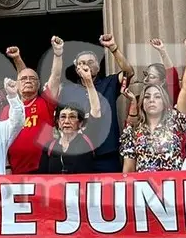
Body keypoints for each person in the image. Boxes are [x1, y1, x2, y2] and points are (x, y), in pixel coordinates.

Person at [52, 33, 134, 173]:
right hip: (78, 155)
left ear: (98, 67)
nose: (86, 65)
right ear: (76, 68)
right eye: (81, 63)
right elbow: (53, 83)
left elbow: (129, 72)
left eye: (90, 62)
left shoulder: (109, 83)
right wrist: (58, 54)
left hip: (106, 155)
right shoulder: (68, 89)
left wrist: (113, 48)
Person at [121, 37, 186, 173]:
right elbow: (128, 169)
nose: (151, 100)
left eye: (157, 97)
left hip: (174, 188)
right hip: (144, 190)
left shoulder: (177, 121)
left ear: (164, 102)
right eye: (147, 97)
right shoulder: (132, 131)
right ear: (142, 103)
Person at [5, 54, 56, 175]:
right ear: (16, 85)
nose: (28, 81)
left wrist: (57, 54)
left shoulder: (45, 102)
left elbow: (56, 76)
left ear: (39, 85)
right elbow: (3, 140)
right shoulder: (7, 109)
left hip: (42, 169)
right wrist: (7, 166)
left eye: (32, 79)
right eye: (23, 80)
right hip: (15, 170)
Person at [39, 105, 99, 173]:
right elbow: (42, 177)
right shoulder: (49, 147)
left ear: (80, 123)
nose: (67, 121)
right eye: (63, 117)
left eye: (72, 117)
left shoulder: (87, 142)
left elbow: (96, 111)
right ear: (58, 122)